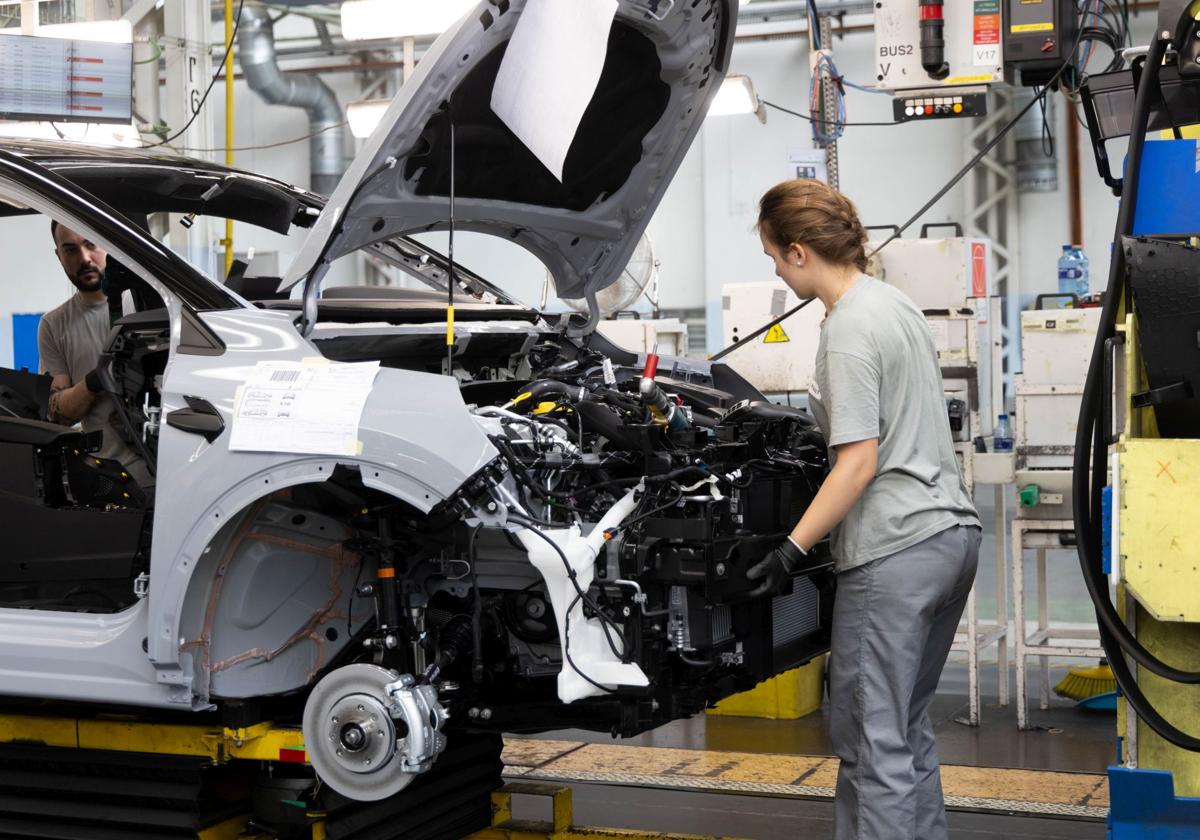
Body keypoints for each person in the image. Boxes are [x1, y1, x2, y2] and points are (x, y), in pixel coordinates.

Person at [745, 180, 981, 840]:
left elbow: (857, 464)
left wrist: (790, 550)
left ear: (797, 253)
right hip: (952, 537)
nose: (773, 269)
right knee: (904, 727)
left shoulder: (848, 327)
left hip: (894, 552)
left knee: (871, 742)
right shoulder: (894, 304)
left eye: (771, 256)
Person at [38, 219, 152, 489]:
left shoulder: (152, 307)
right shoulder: (53, 324)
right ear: (59, 256)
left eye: (91, 244)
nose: (84, 258)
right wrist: (95, 380)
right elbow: (58, 413)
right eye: (70, 250)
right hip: (109, 480)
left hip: (167, 469)